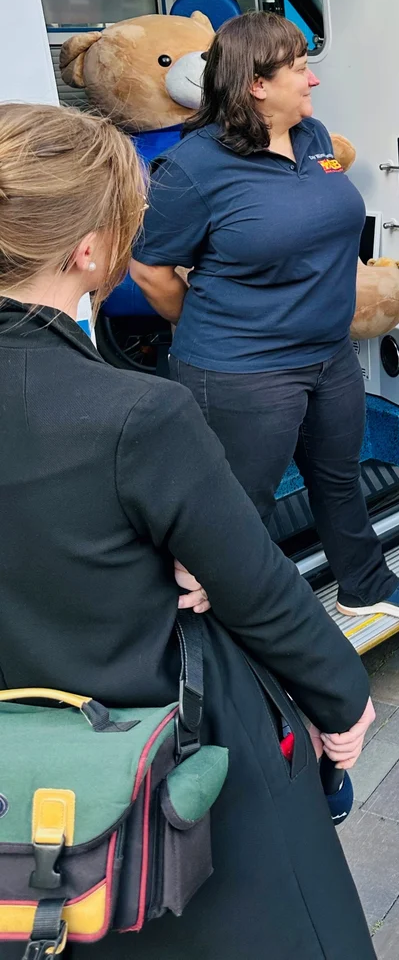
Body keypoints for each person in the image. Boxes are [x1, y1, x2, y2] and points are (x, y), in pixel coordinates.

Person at [0, 102, 377, 958]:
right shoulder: (136, 414)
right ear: (90, 250)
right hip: (142, 774)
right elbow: (256, 589)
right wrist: (341, 699)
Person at [130, 12, 399, 622]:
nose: (313, 79)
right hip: (241, 372)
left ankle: (363, 584)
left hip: (328, 355)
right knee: (239, 505)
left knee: (338, 477)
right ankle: (223, 625)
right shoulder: (192, 169)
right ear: (255, 85)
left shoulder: (315, 137)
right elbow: (149, 271)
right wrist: (212, 328)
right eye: (299, 68)